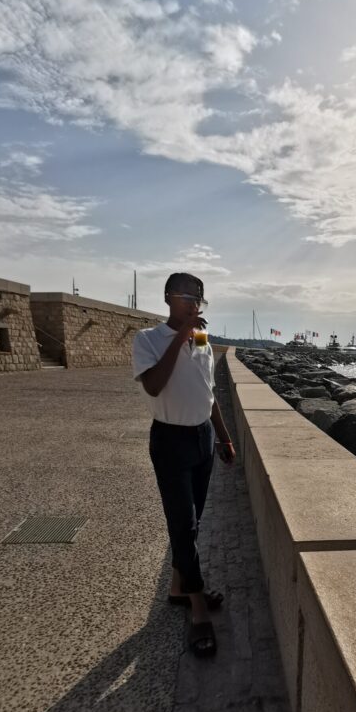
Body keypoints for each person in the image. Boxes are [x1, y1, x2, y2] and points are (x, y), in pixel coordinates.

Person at [132, 272, 235, 658]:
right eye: (188, 297)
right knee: (183, 524)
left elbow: (209, 393)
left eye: (199, 300)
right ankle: (197, 611)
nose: (194, 305)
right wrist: (181, 335)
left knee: (193, 520)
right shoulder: (147, 339)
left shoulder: (204, 340)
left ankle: (179, 588)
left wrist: (223, 437)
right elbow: (154, 385)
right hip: (170, 440)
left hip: (202, 439)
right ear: (168, 298)